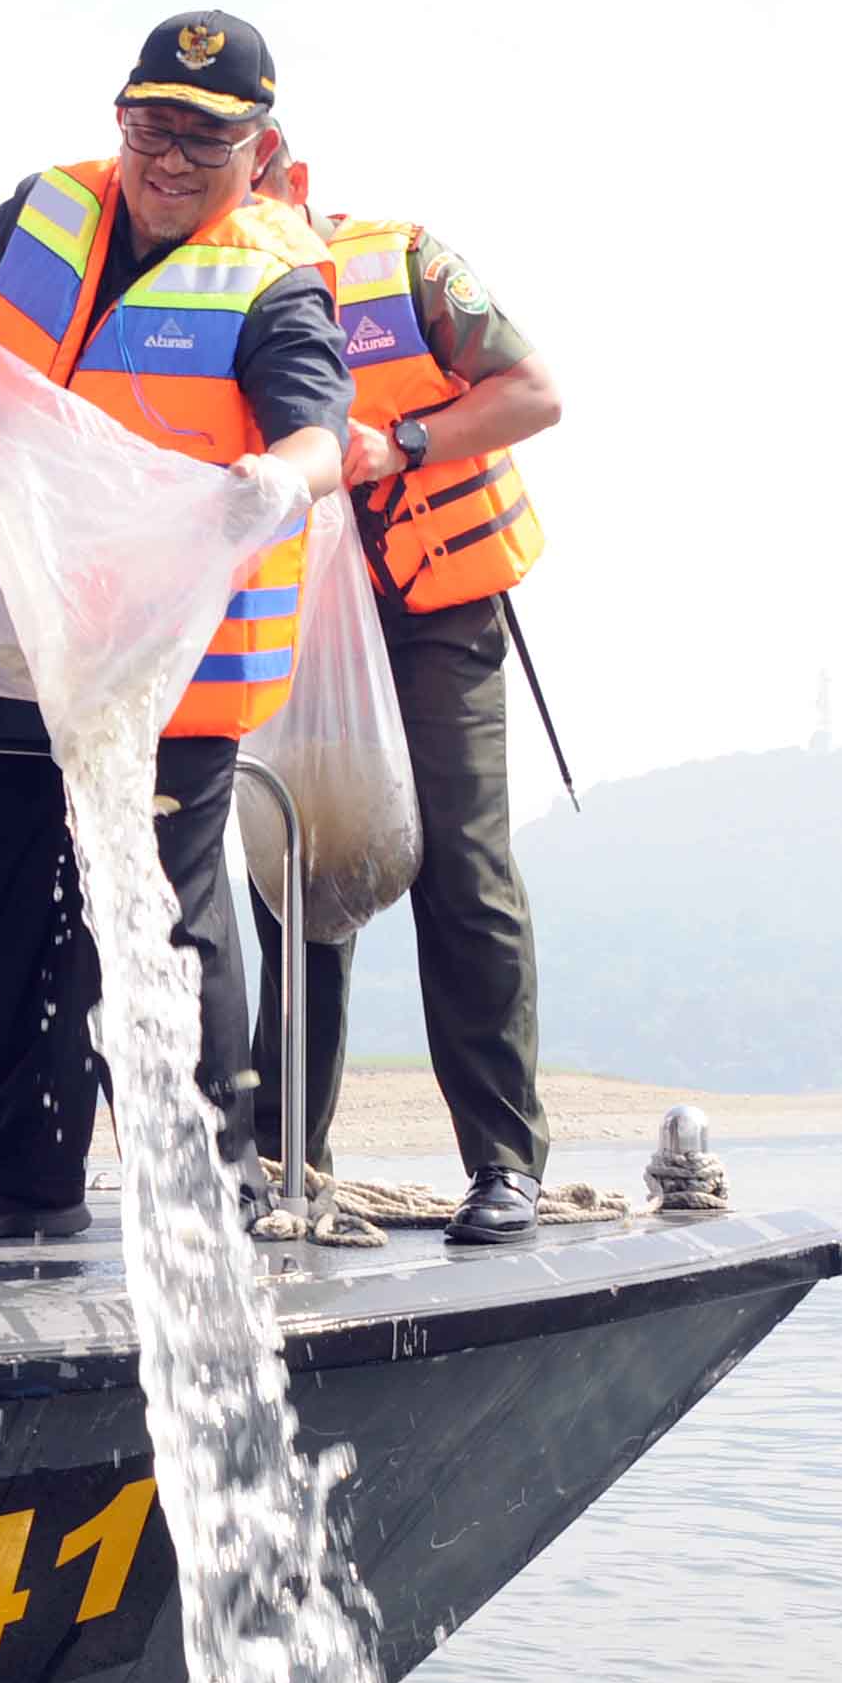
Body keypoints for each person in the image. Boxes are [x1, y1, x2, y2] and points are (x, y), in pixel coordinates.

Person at [0, 11, 350, 1244]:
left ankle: (212, 1185)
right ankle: (24, 1179)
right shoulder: (42, 209)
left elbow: (317, 430)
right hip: (13, 646)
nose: (168, 158)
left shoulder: (272, 281)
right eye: (148, 126)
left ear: (259, 148)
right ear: (116, 120)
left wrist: (281, 478)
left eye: (203, 136)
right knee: (18, 919)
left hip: (164, 669)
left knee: (172, 929)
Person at [243, 144, 569, 1244]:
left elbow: (533, 393)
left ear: (284, 177)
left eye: (243, 189)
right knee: (299, 875)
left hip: (436, 611)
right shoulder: (193, 288)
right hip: (294, 623)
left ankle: (504, 1164)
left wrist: (407, 443)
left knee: (464, 874)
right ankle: (288, 1167)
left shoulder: (404, 264)